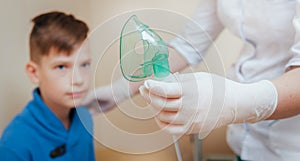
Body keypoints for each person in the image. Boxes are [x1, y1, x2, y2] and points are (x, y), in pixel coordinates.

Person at [84, 0, 300, 160]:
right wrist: (121, 89)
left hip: (290, 143)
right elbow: (188, 44)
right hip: (244, 140)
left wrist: (232, 101)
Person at [0, 11, 95, 161]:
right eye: (61, 67)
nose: (78, 80)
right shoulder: (14, 144)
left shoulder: (85, 117)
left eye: (84, 64)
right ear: (34, 73)